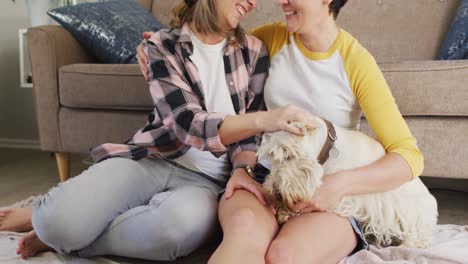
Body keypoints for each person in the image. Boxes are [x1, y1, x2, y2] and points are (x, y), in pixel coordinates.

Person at [0, 0, 317, 260]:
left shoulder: (254, 51)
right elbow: (187, 124)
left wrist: (243, 169)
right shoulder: (162, 46)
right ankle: (53, 224)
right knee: (55, 220)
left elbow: (248, 136)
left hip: (207, 183)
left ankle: (67, 239)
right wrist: (265, 119)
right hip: (152, 159)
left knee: (176, 231)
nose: (253, 3)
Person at [136, 0, 425, 263]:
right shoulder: (270, 38)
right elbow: (207, 39)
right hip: (262, 177)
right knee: (245, 239)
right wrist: (156, 46)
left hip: (326, 189)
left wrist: (337, 187)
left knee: (284, 256)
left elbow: (409, 156)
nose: (281, 1)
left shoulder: (356, 61)